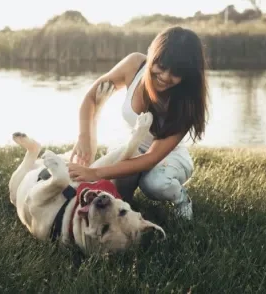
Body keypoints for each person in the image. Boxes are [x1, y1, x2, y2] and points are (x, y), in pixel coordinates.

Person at [68, 26, 209, 219]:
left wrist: (96, 173)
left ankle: (181, 198)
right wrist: (84, 136)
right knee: (119, 198)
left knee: (154, 184)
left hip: (167, 157)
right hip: (131, 145)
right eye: (162, 66)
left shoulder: (187, 102)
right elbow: (92, 97)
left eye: (177, 72)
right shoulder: (134, 65)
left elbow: (150, 158)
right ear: (152, 55)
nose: (166, 76)